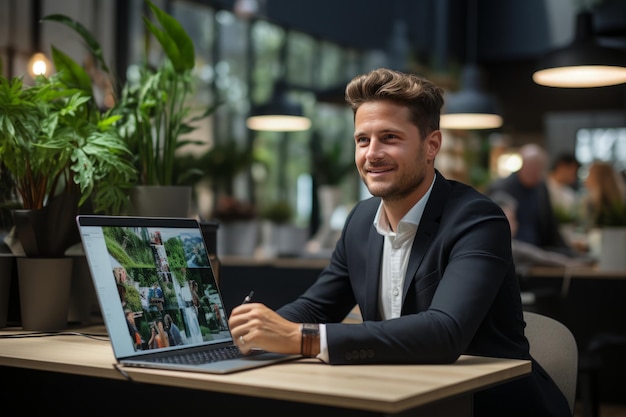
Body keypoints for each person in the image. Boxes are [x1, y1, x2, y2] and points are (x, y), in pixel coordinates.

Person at [229, 68, 570, 417]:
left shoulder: (477, 219)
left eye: (389, 137)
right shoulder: (361, 221)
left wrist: (302, 338)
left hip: (487, 406)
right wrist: (254, 332)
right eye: (362, 140)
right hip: (402, 400)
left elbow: (444, 332)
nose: (372, 154)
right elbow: (316, 308)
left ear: (431, 145)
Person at [486, 143, 574, 256]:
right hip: (510, 254)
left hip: (538, 251)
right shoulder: (501, 189)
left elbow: (550, 225)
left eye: (538, 168)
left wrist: (569, 252)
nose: (534, 172)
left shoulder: (541, 188)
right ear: (522, 165)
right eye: (531, 167)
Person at [489, 191, 591, 270]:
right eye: (512, 219)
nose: (516, 224)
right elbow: (543, 257)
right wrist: (572, 264)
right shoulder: (509, 248)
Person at [581, 161, 626, 228]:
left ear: (598, 178)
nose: (586, 179)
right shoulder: (620, 201)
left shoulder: (591, 202)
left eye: (590, 174)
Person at [546, 152, 581, 221]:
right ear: (561, 166)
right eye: (573, 170)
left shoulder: (570, 194)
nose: (574, 175)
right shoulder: (543, 186)